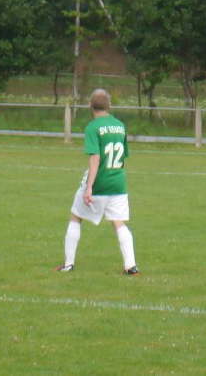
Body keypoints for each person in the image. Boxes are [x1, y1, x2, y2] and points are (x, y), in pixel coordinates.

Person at [55, 88, 139, 275]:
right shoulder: (119, 125)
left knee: (75, 217)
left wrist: (89, 187)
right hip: (118, 183)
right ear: (109, 105)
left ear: (90, 106)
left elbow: (95, 158)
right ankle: (131, 266)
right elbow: (123, 156)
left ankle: (68, 264)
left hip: (99, 183)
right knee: (119, 223)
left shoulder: (93, 127)